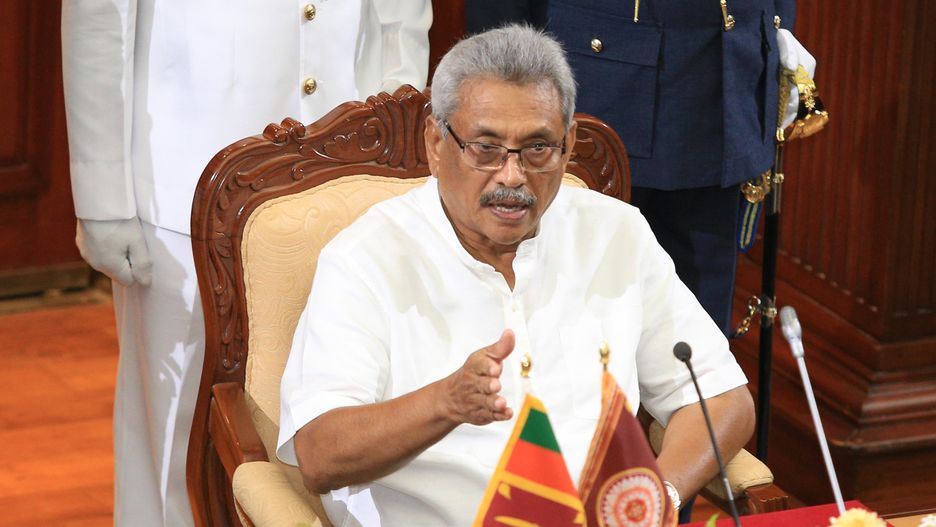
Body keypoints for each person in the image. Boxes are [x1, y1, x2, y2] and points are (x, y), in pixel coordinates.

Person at [277, 25, 755, 526]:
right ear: (436, 143)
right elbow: (319, 454)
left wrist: (657, 499)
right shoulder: (366, 260)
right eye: (485, 148)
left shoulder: (616, 233)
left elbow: (722, 399)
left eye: (536, 149)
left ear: (568, 145)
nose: (512, 176)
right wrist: (445, 403)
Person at [60, 2, 431, 525]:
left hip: (346, 179)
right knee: (174, 429)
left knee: (333, 407)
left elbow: (402, 14)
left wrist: (396, 138)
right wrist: (102, 197)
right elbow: (99, 20)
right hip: (185, 183)